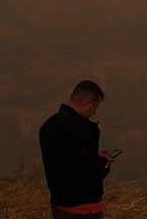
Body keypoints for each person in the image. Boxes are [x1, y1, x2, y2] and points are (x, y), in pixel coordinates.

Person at [39, 80, 116, 219]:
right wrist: (105, 163)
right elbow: (89, 172)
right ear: (87, 103)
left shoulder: (49, 125)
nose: (95, 112)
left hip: (60, 203)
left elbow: (66, 158)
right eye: (95, 106)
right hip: (84, 208)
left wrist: (93, 154)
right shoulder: (81, 130)